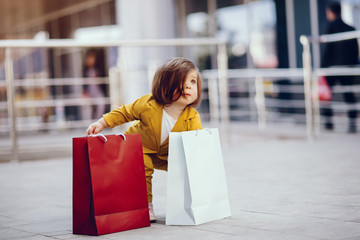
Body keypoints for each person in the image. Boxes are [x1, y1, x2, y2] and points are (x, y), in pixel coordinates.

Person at [86, 57, 202, 222]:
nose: (188, 86)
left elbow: (196, 143)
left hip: (167, 155)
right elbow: (124, 112)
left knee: (185, 170)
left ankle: (189, 204)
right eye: (181, 81)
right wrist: (102, 123)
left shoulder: (192, 117)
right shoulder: (149, 104)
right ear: (164, 84)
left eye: (193, 81)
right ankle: (146, 205)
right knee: (144, 170)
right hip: (140, 148)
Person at [321, 1, 359, 133]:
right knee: (349, 95)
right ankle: (352, 124)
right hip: (347, 68)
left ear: (330, 12)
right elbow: (355, 50)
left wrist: (322, 68)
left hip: (331, 68)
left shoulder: (330, 27)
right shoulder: (350, 28)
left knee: (326, 95)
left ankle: (328, 124)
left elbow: (327, 50)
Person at [82, 49, 107, 120]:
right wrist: (84, 92)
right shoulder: (84, 70)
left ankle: (97, 120)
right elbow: (83, 83)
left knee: (102, 103)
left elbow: (103, 83)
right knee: (87, 106)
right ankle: (88, 122)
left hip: (97, 91)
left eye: (93, 58)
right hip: (89, 91)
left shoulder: (99, 69)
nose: (91, 60)